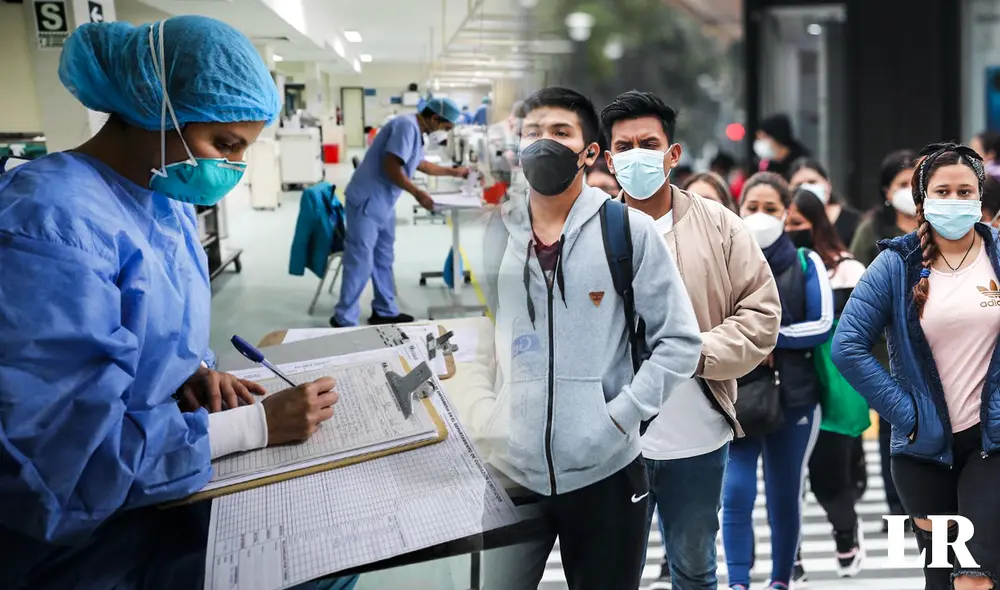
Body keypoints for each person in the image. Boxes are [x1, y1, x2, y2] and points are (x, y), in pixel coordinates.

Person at [0, 17, 356, 590]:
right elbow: (61, 465)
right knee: (316, 565)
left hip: (150, 478)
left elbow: (145, 327)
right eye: (224, 145)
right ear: (153, 106)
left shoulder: (161, 200)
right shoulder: (50, 227)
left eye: (242, 151)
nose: (231, 171)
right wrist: (252, 429)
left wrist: (188, 371)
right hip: (83, 542)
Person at [474, 86, 703, 590]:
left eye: (560, 133)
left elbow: (680, 342)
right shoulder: (493, 234)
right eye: (532, 133)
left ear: (590, 152)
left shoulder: (628, 231)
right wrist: (485, 415)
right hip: (511, 472)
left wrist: (619, 416)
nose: (544, 144)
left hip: (606, 473)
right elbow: (475, 337)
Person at [601, 90, 781, 590]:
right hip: (610, 437)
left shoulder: (721, 225)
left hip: (697, 437)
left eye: (649, 142)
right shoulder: (588, 231)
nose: (637, 155)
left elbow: (762, 313)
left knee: (696, 568)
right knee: (612, 570)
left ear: (672, 153)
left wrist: (694, 354)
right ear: (610, 159)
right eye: (626, 146)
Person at [832, 142, 1000, 590]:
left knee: (974, 578)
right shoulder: (896, 264)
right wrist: (906, 414)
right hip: (923, 450)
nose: (957, 200)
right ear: (922, 201)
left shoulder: (997, 255)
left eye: (966, 191)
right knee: (942, 578)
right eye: (944, 191)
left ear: (981, 198)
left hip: (992, 445)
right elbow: (847, 346)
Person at [723, 172, 832, 590]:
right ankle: (737, 581)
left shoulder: (808, 263)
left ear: (787, 213)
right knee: (735, 494)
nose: (761, 216)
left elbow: (823, 323)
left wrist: (773, 338)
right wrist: (753, 342)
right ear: (739, 210)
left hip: (796, 397)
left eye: (771, 209)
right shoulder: (724, 260)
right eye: (753, 208)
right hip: (737, 393)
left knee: (785, 495)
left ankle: (780, 581)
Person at [785, 189, 869, 577]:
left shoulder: (848, 270)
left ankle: (846, 536)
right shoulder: (767, 267)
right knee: (787, 479)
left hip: (835, 385)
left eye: (797, 223)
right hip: (789, 386)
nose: (789, 231)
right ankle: (793, 556)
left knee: (827, 477)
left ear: (817, 223)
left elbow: (866, 332)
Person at [331, 97, 469, 327]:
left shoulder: (416, 131)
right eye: (446, 127)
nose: (445, 132)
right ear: (435, 118)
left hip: (384, 203)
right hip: (368, 200)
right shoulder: (405, 126)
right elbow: (391, 166)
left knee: (383, 257)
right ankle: (344, 319)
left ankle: (384, 310)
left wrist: (455, 173)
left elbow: (420, 164)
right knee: (360, 260)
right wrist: (418, 193)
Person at [848, 149, 919, 524]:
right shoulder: (872, 231)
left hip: (936, 346)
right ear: (886, 191)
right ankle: (898, 503)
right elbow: (858, 291)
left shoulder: (939, 227)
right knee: (894, 424)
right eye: (901, 184)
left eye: (914, 183)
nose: (909, 191)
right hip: (886, 350)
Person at [788, 157, 862, 247]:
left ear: (828, 184)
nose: (806, 188)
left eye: (812, 182)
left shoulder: (856, 221)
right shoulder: (787, 224)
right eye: (798, 185)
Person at [753, 114, 810, 178]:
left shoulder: (801, 164)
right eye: (758, 138)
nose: (760, 142)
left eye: (764, 137)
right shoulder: (765, 164)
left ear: (777, 137)